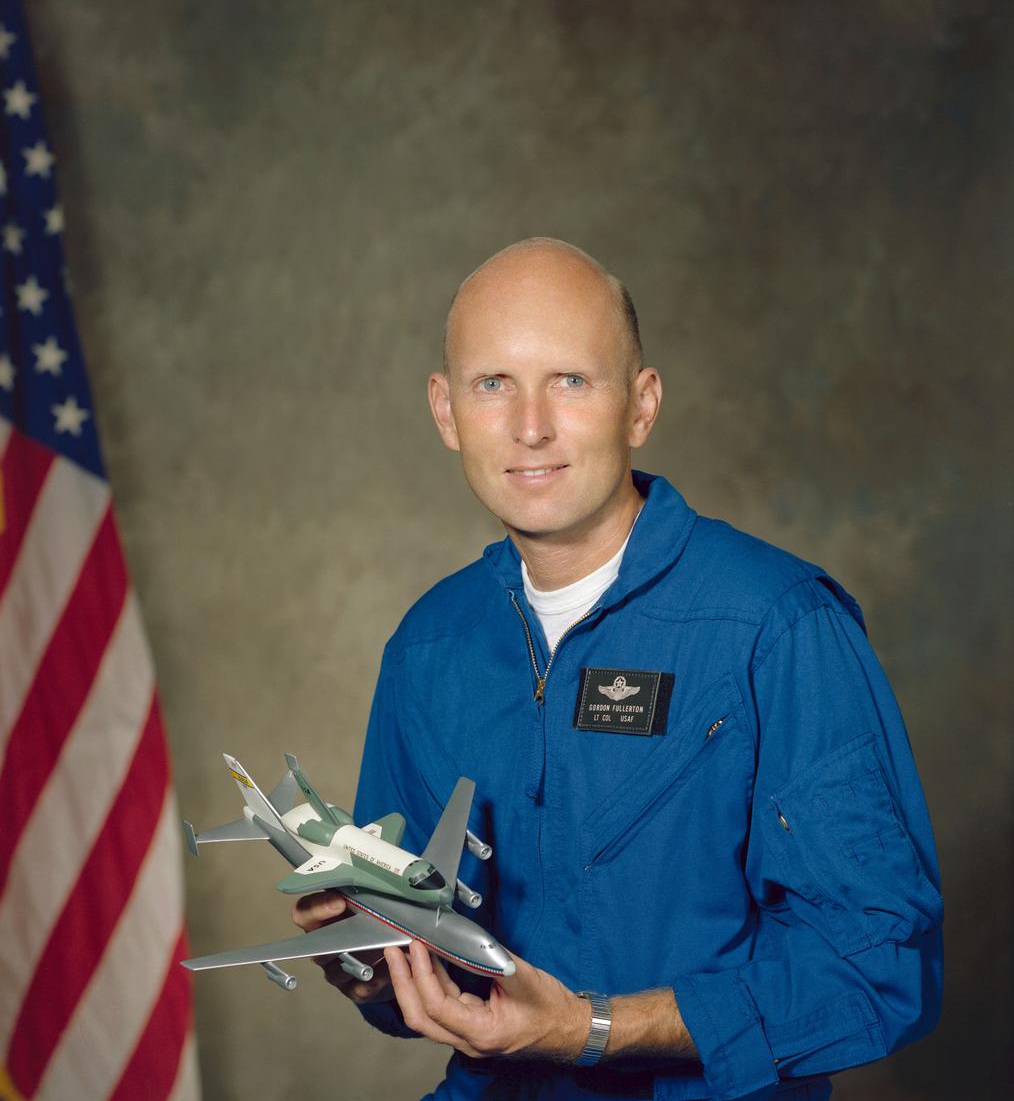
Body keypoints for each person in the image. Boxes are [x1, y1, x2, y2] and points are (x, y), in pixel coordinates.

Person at [294, 239, 943, 1101]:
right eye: (493, 384)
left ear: (641, 405)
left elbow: (879, 969)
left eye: (570, 380)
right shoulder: (429, 646)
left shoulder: (777, 626)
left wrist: (589, 1029)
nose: (531, 426)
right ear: (446, 412)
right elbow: (419, 972)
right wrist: (372, 969)